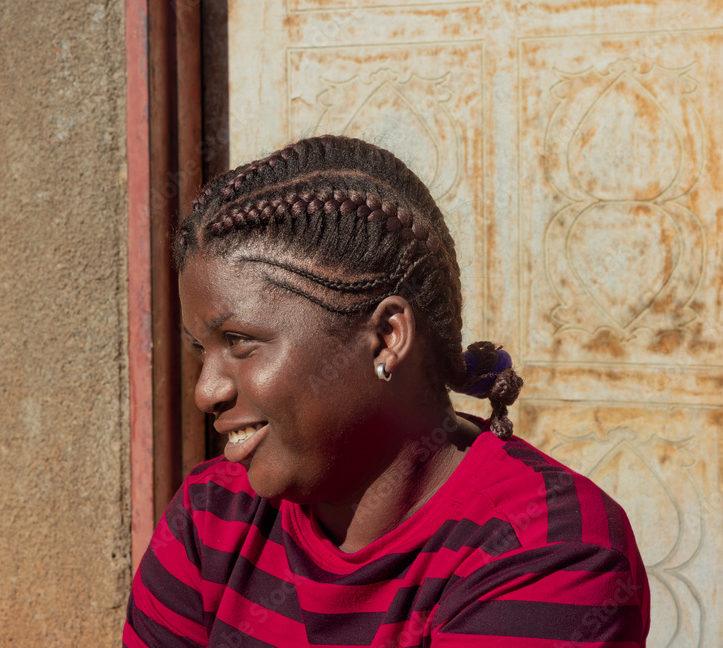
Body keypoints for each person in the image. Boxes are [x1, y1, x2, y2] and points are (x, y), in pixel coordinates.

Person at [122, 135, 650, 647]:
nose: (206, 392)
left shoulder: (549, 549)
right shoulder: (212, 517)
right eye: (201, 349)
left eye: (239, 342)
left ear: (387, 337)